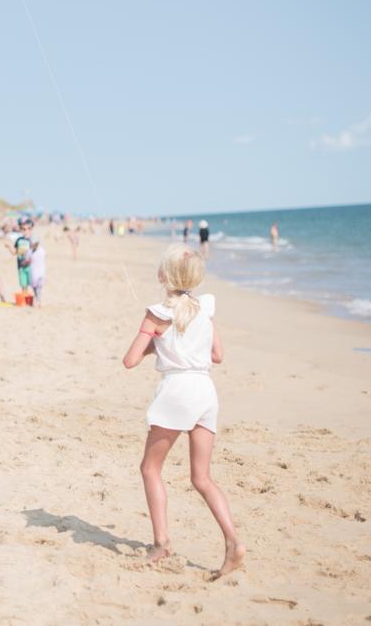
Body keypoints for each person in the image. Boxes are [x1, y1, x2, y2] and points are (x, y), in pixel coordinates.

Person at [122, 245, 245, 580]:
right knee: (202, 477)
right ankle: (233, 542)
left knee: (150, 468)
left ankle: (161, 543)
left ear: (164, 276)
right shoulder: (204, 308)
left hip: (177, 392)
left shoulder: (156, 314)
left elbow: (130, 360)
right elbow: (217, 354)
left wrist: (152, 341)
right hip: (205, 391)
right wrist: (165, 343)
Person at [28, 236, 47, 306]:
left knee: (39, 288)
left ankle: (39, 301)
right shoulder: (30, 252)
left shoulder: (41, 251)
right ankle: (37, 298)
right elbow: (28, 260)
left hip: (41, 273)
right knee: (34, 288)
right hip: (33, 273)